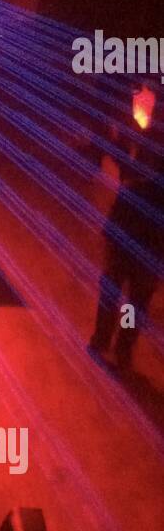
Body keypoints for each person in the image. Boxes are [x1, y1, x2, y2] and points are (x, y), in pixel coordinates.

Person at [90, 156, 164, 371]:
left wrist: (110, 256)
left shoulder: (133, 188)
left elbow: (112, 225)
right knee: (134, 306)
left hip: (122, 254)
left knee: (110, 298)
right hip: (146, 262)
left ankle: (101, 339)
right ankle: (122, 349)